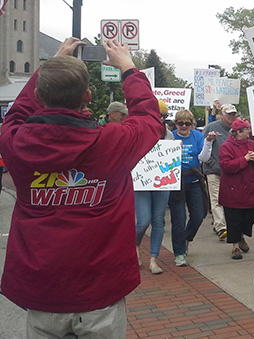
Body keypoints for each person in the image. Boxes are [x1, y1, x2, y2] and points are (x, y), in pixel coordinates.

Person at [0, 37, 163, 337]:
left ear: (38, 93)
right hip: (100, 293)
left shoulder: (16, 142)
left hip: (43, 291)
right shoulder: (113, 143)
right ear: (87, 96)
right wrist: (128, 67)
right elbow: (150, 118)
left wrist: (48, 68)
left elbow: (15, 115)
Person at [134, 100, 174, 275]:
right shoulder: (137, 132)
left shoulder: (169, 135)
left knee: (159, 220)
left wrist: (175, 151)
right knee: (143, 220)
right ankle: (134, 245)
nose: (160, 118)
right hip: (141, 182)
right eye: (158, 115)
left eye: (163, 116)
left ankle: (153, 258)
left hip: (162, 181)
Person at [219, 119, 254, 259]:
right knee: (234, 219)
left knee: (251, 216)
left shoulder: (251, 144)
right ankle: (235, 247)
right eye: (246, 129)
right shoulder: (226, 146)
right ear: (239, 132)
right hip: (233, 189)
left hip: (250, 187)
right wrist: (244, 159)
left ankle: (241, 235)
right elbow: (226, 165)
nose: (249, 132)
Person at [169, 109, 206, 267]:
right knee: (179, 219)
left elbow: (203, 156)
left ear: (192, 124)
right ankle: (179, 252)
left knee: (199, 215)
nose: (183, 126)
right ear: (175, 123)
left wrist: (209, 142)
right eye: (180, 123)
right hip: (176, 182)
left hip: (194, 180)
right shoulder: (171, 136)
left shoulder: (197, 136)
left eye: (187, 123)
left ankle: (186, 238)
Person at [202, 103, 239, 240]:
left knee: (230, 200)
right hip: (214, 170)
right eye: (228, 113)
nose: (231, 116)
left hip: (231, 171)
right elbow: (204, 146)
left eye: (233, 113)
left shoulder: (237, 129)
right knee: (216, 199)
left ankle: (224, 224)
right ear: (222, 114)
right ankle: (221, 226)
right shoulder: (211, 127)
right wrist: (212, 163)